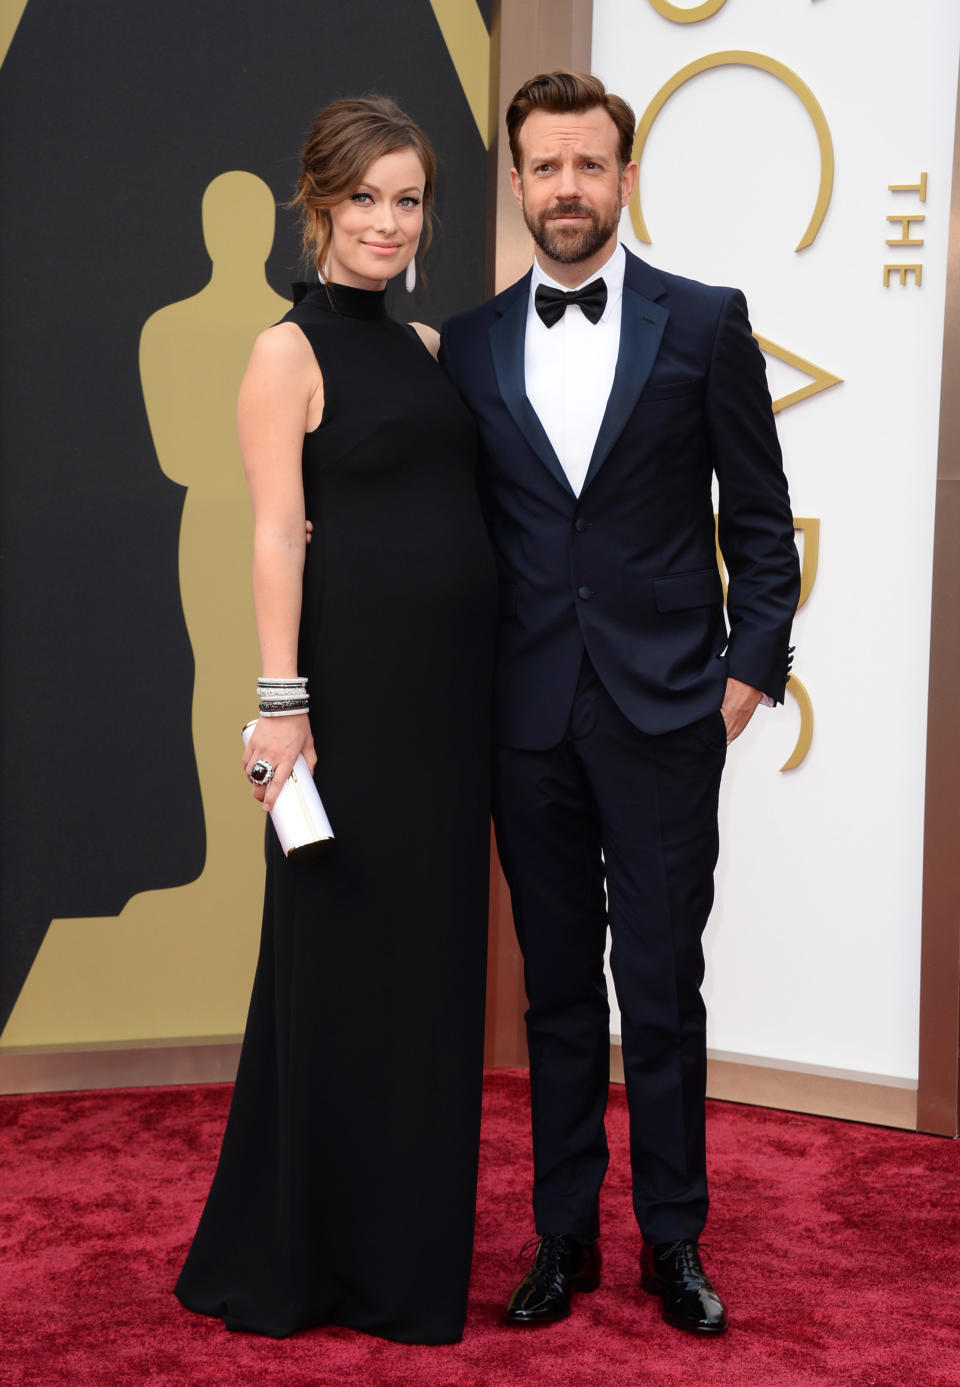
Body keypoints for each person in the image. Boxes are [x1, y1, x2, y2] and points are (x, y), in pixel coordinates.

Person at [441, 71, 801, 1336]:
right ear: (522, 181)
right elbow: (445, 524)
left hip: (665, 721)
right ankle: (563, 1236)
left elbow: (760, 527)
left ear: (625, 177)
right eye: (545, 168)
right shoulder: (472, 343)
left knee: (660, 987)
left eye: (589, 166)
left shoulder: (703, 324)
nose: (568, 189)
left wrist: (743, 685)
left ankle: (675, 1239)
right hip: (525, 719)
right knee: (552, 994)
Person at [175, 96, 497, 1344]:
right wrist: (282, 704)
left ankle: (404, 1261)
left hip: (447, 708)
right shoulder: (283, 352)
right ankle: (309, 1259)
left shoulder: (423, 347)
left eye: (408, 199)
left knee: (427, 986)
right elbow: (273, 531)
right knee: (341, 976)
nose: (386, 221)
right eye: (364, 197)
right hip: (348, 710)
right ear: (317, 204)